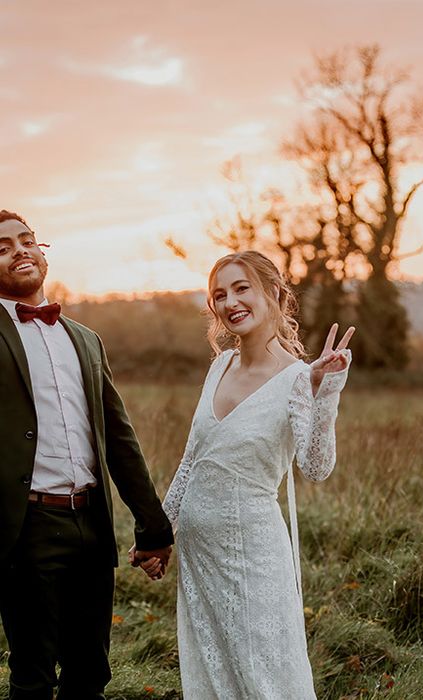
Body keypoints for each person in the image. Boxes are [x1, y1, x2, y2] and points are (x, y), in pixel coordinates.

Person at [133, 250, 353, 699]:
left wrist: (325, 391)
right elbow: (193, 460)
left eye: (241, 288)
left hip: (254, 556)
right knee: (215, 678)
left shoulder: (298, 377)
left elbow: (316, 467)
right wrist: (160, 531)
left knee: (265, 676)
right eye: (219, 294)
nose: (230, 301)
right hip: (201, 560)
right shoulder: (220, 367)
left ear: (273, 292)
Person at [0, 209, 174, 700]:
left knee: (90, 674)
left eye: (27, 240)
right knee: (33, 677)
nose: (20, 250)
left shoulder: (85, 339)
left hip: (92, 525)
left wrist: (152, 523)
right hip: (25, 530)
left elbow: (119, 438)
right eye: (3, 246)